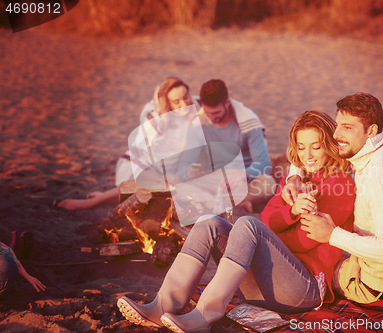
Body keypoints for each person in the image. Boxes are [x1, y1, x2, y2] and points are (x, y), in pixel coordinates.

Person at [116, 110, 356, 331]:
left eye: (316, 146)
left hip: (303, 290)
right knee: (209, 223)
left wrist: (270, 231)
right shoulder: (295, 179)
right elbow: (268, 220)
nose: (308, 155)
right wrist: (291, 212)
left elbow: (300, 243)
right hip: (266, 286)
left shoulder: (341, 185)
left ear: (329, 146)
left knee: (248, 225)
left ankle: (204, 316)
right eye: (301, 147)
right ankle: (164, 305)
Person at [283, 93, 383, 303]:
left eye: (348, 127)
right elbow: (312, 144)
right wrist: (294, 175)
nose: (337, 134)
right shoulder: (375, 151)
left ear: (371, 130)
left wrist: (332, 235)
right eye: (338, 125)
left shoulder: (381, 176)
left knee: (313, 264)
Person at [58, 77, 200, 211]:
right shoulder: (155, 120)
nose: (184, 103)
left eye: (185, 96)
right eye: (177, 101)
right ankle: (90, 203)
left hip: (167, 172)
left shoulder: (194, 105)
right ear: (167, 103)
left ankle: (105, 195)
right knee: (155, 186)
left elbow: (213, 100)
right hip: (141, 166)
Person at [177, 79, 276, 213]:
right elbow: (185, 162)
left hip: (245, 181)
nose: (211, 117)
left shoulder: (249, 122)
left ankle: (215, 203)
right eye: (208, 112)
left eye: (216, 113)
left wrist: (244, 174)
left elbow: (264, 163)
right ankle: (236, 204)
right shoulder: (198, 124)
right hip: (215, 180)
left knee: (268, 185)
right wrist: (188, 171)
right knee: (180, 188)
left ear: (227, 103)